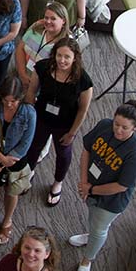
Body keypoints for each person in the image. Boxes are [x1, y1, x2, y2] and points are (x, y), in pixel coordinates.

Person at [69, 101, 136, 271]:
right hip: (92, 186)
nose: (118, 130)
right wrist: (83, 182)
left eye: (124, 128)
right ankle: (90, 236)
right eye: (116, 124)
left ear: (135, 128)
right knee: (93, 219)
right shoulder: (104, 125)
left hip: (111, 200)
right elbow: (87, 150)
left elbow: (122, 186)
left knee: (100, 228)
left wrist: (90, 189)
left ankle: (87, 261)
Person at [24, 38, 94, 206]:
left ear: (75, 58)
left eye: (67, 57)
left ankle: (58, 183)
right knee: (34, 147)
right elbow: (31, 91)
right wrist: (29, 116)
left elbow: (83, 110)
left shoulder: (83, 80)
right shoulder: (42, 67)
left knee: (63, 154)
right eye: (59, 55)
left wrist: (72, 133)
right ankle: (28, 172)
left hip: (65, 123)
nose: (62, 60)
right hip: (41, 117)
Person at [0, 76, 36, 247]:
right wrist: (0, 158)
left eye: (14, 101)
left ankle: (7, 221)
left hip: (15, 158)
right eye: (6, 100)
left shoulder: (29, 113)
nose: (9, 104)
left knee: (12, 191)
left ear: (21, 97)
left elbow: (25, 144)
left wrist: (1, 163)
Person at [12, 1, 71, 93]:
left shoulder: (66, 45)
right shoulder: (36, 28)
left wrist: (33, 85)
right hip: (20, 75)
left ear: (63, 21)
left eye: (53, 19)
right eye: (46, 17)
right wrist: (23, 74)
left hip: (42, 87)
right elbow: (20, 49)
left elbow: (61, 72)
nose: (48, 21)